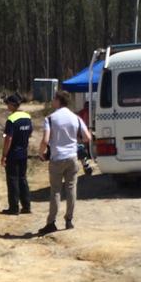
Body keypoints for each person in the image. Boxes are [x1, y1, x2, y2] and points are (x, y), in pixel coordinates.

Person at [38, 90, 91, 234]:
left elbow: (45, 140)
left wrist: (41, 153)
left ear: (58, 101)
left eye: (54, 99)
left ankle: (51, 223)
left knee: (55, 191)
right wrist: (75, 140)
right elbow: (87, 137)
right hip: (72, 157)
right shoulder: (76, 117)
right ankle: (69, 220)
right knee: (71, 188)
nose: (52, 101)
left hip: (57, 158)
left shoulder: (50, 118)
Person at [0, 93, 33, 215]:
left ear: (13, 105)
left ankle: (13, 207)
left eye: (8, 103)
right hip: (24, 152)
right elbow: (30, 133)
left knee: (12, 180)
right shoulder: (27, 117)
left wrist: (4, 155)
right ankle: (26, 205)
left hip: (13, 153)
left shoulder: (11, 119)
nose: (7, 106)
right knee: (23, 178)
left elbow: (8, 138)